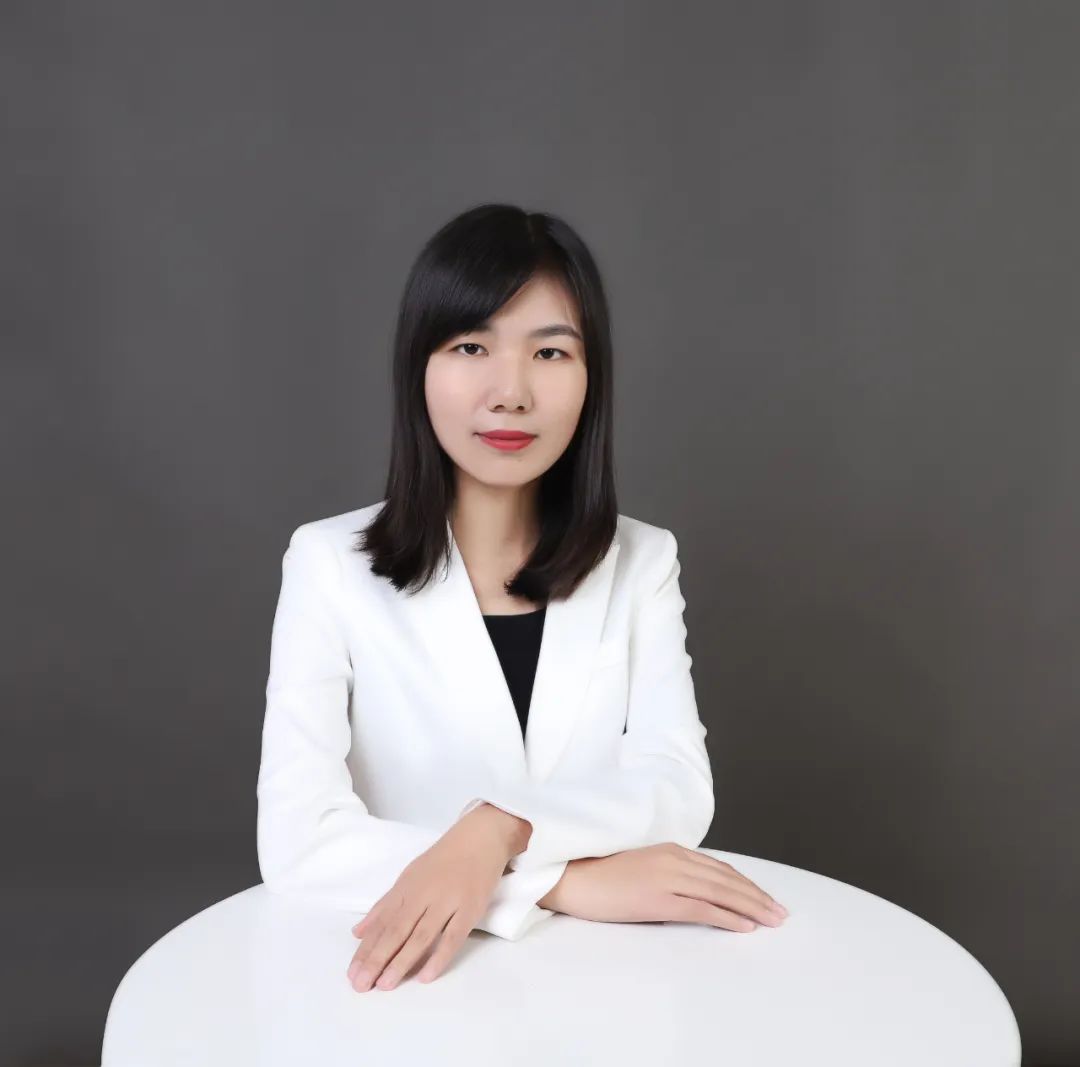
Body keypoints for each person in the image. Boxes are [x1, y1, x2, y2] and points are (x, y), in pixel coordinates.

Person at [255, 203, 788, 996]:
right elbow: (299, 840)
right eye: (471, 346)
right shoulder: (328, 563)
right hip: (403, 984)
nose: (510, 392)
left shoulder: (642, 561)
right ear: (418, 367)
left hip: (601, 989)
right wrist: (558, 882)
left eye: (549, 351)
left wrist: (499, 828)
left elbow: (678, 787)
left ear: (590, 376)